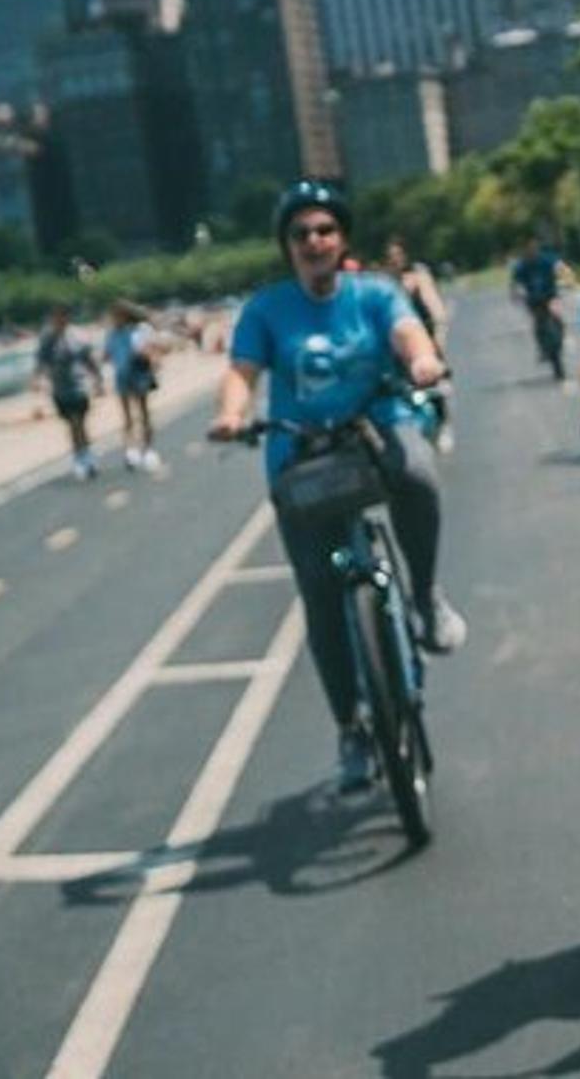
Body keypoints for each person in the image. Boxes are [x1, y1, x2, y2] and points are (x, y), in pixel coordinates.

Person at [208, 178, 469, 794]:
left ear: (342, 238)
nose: (314, 242)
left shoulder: (374, 295)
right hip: (301, 449)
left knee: (417, 475)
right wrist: (232, 413)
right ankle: (352, 727)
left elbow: (409, 334)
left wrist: (423, 363)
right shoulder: (266, 310)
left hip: (377, 427)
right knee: (321, 597)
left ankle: (426, 599)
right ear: (287, 247)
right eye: (300, 234)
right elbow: (241, 372)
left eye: (324, 230)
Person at [382, 236, 454, 452]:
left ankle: (442, 425)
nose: (395, 261)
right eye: (390, 257)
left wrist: (438, 335)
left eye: (397, 256)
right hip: (397, 345)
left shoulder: (418, 275)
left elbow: (433, 303)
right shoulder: (384, 284)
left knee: (433, 385)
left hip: (425, 337)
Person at [34, 306, 104, 481]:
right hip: (59, 388)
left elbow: (89, 360)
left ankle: (85, 457)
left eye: (62, 316)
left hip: (78, 386)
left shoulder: (78, 336)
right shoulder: (47, 338)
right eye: (56, 317)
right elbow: (41, 361)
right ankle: (80, 455)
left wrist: (98, 380)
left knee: (79, 422)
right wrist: (37, 378)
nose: (59, 320)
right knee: (71, 424)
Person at [105, 300, 163, 472]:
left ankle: (148, 449)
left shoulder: (140, 330)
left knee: (144, 413)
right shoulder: (113, 334)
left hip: (139, 375)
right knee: (127, 416)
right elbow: (107, 355)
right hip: (122, 377)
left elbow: (152, 351)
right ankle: (131, 451)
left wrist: (145, 353)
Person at [510, 231, 570, 381]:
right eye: (527, 248)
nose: (531, 250)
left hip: (550, 296)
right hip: (534, 300)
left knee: (557, 316)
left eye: (533, 246)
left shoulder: (546, 259)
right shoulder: (522, 265)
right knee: (538, 323)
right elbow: (515, 283)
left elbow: (560, 267)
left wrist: (565, 277)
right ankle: (543, 348)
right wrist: (517, 293)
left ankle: (561, 339)